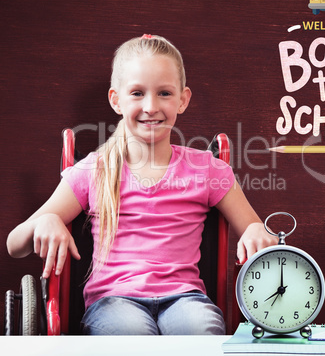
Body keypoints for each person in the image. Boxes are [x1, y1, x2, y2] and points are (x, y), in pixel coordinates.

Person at [7, 34, 277, 335]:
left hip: (185, 299)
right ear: (116, 100)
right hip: (114, 301)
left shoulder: (208, 169)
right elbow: (14, 245)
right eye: (137, 93)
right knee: (132, 335)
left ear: (183, 100)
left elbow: (258, 233)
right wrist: (47, 220)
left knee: (201, 329)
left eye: (164, 93)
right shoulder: (94, 170)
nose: (151, 106)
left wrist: (257, 230)